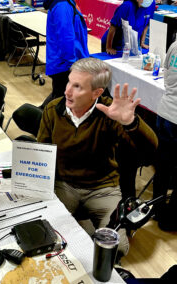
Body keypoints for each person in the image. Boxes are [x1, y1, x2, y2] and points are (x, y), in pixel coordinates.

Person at [37, 57, 158, 257]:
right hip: (64, 184)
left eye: (77, 87)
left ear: (97, 93)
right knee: (46, 236)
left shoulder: (111, 112)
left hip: (102, 188)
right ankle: (81, 224)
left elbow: (151, 150)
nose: (67, 91)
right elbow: (42, 152)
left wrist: (131, 123)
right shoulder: (53, 110)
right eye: (69, 82)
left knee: (116, 247)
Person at [40, 0, 89, 108]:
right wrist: (72, 65)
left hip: (65, 62)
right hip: (65, 64)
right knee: (60, 104)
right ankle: (37, 121)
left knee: (58, 98)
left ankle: (38, 118)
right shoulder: (63, 6)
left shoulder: (66, 3)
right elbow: (65, 38)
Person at [152, 39, 177, 231]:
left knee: (163, 168)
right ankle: (170, 219)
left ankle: (157, 209)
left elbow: (167, 71)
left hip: (165, 112)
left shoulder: (175, 44)